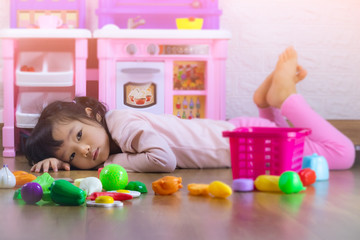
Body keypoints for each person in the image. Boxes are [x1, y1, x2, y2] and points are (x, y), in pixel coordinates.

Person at [25, 47, 355, 173]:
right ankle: (265, 104)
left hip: (244, 142)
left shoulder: (120, 122)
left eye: (79, 135)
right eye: (72, 156)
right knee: (286, 142)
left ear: (93, 115)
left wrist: (110, 163)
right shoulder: (113, 132)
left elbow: (163, 159)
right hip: (242, 136)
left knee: (342, 154)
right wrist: (56, 164)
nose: (84, 150)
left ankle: (283, 98)